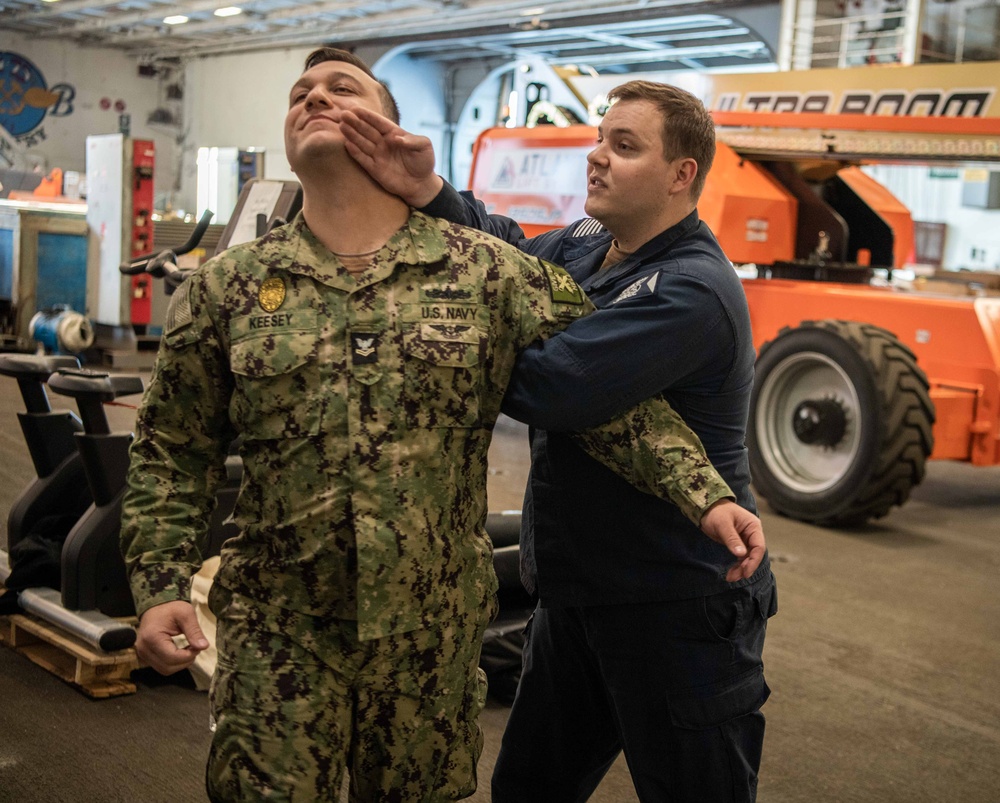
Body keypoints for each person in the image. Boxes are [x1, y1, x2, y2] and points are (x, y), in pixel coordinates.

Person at [342, 78, 776, 801]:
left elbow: (553, 387)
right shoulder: (591, 242)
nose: (596, 157)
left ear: (681, 174)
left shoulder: (692, 290)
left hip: (676, 606)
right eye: (600, 139)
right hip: (577, 596)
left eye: (624, 146)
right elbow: (509, 255)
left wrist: (431, 334)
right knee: (528, 789)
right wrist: (431, 188)